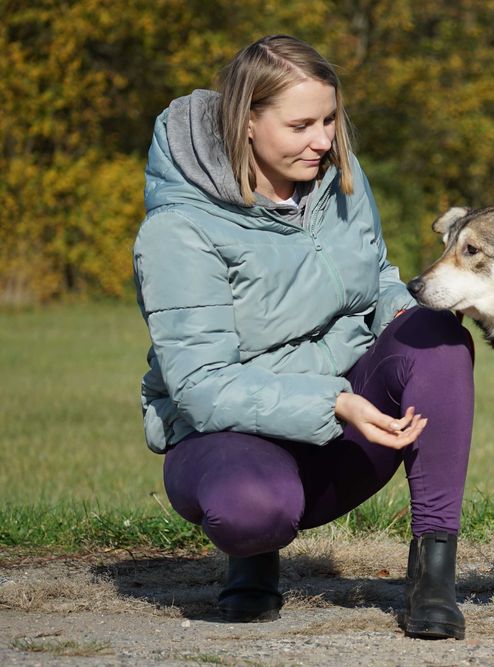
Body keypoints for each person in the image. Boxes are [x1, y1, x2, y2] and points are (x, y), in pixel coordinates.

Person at [132, 34, 474, 640]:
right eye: (301, 125)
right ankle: (253, 556)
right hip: (227, 435)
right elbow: (200, 386)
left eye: (330, 119)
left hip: (343, 420)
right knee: (253, 509)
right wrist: (333, 402)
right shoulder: (178, 229)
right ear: (246, 124)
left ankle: (433, 575)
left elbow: (378, 279)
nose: (322, 140)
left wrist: (405, 320)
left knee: (437, 333)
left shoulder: (336, 174)